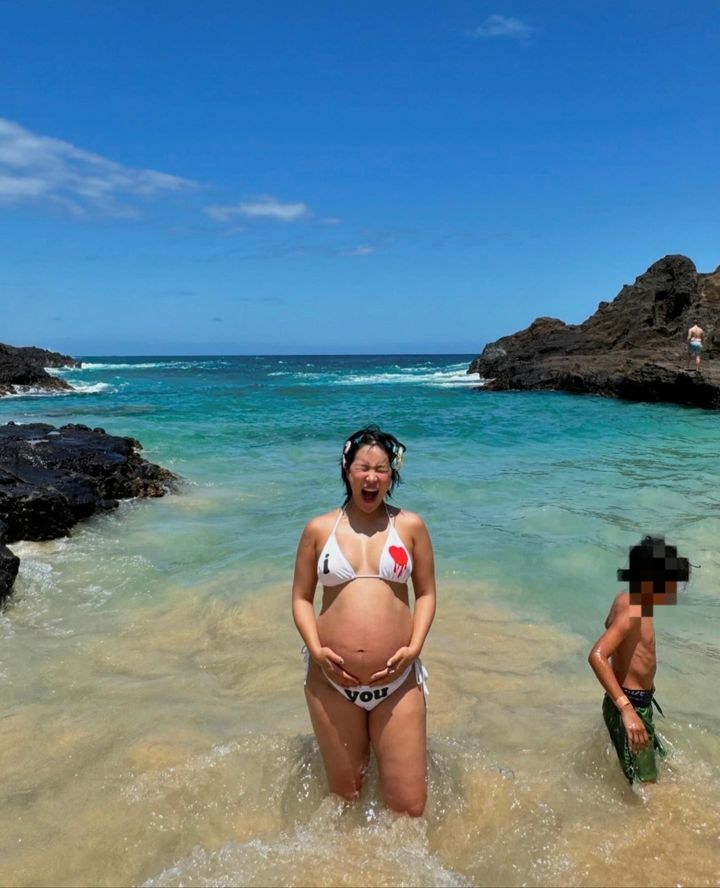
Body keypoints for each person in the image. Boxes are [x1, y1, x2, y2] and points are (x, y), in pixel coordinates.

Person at [291, 425, 436, 816]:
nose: (372, 477)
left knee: (409, 808)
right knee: (345, 800)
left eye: (382, 469)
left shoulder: (409, 526)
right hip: (330, 682)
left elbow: (426, 593)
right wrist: (317, 650)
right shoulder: (320, 529)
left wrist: (415, 646)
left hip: (398, 681)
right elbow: (302, 599)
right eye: (363, 467)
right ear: (347, 469)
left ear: (392, 476)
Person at [588, 536, 689, 784]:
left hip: (632, 700)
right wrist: (627, 710)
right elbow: (597, 655)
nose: (674, 588)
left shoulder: (626, 600)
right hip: (631, 705)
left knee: (655, 768)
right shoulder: (635, 609)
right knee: (648, 786)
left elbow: (608, 625)